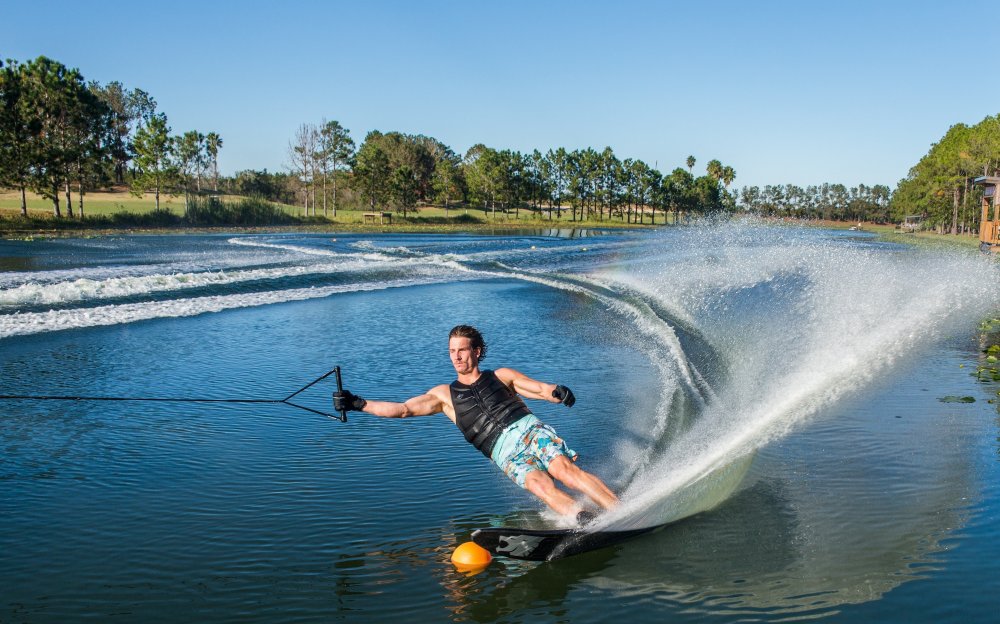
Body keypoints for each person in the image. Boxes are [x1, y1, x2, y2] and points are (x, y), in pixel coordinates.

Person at [334, 324, 618, 524]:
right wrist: (358, 403)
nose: (456, 356)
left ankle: (618, 511)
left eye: (462, 350)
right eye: (451, 351)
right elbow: (403, 409)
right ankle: (586, 522)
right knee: (540, 487)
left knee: (565, 472)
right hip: (504, 452)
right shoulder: (444, 396)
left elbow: (540, 389)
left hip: (528, 431)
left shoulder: (501, 376)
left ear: (477, 351)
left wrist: (558, 392)